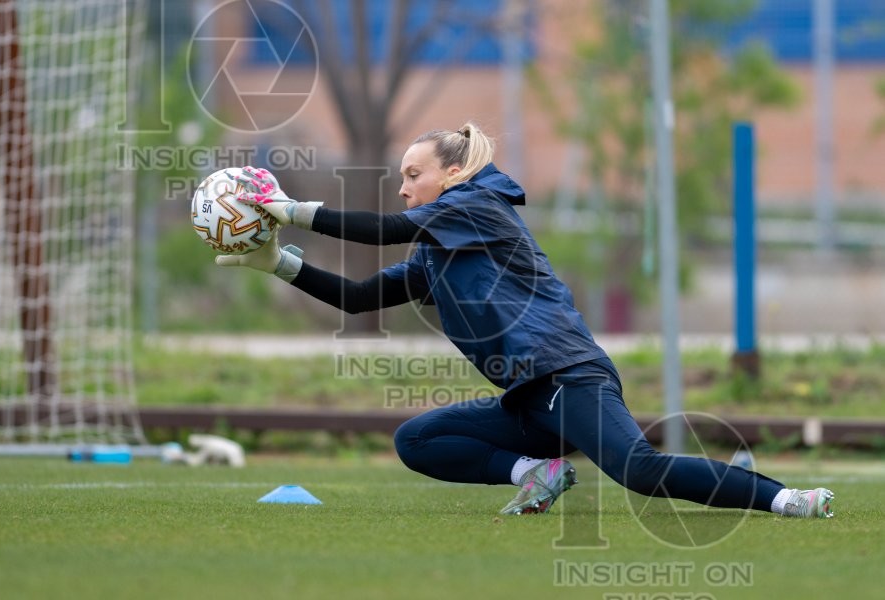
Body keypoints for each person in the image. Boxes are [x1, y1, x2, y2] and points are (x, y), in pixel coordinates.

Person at [216, 122, 834, 518]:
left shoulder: (478, 205)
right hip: (529, 399)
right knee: (417, 440)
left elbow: (386, 230)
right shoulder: (436, 250)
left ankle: (787, 498)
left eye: (413, 175)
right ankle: (536, 473)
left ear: (453, 174)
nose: (403, 188)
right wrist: (276, 263)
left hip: (570, 376)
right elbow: (357, 299)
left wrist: (289, 208)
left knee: (639, 471)